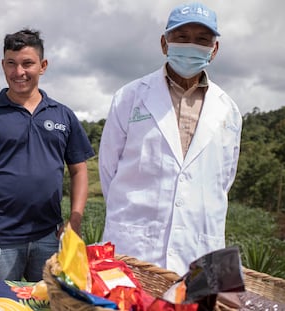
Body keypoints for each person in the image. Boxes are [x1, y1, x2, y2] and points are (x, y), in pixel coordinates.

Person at [99, 3, 242, 276]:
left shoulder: (229, 110)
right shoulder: (129, 97)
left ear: (215, 48)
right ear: (165, 44)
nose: (191, 45)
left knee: (196, 305)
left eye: (202, 40)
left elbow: (223, 180)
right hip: (135, 244)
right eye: (182, 37)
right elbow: (108, 170)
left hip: (201, 246)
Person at [0, 28, 95, 281]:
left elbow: (78, 169)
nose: (19, 72)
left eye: (27, 63)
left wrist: (74, 219)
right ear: (3, 65)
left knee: (48, 304)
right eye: (11, 63)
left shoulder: (62, 115)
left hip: (48, 237)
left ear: (43, 66)